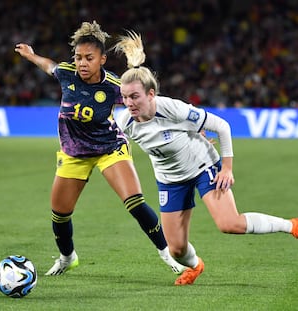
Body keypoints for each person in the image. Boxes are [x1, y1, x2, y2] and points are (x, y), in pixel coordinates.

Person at [113, 31, 298, 285]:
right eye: (124, 98)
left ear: (151, 94)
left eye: (134, 96)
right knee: (176, 249)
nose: (129, 103)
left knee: (229, 223)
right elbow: (108, 140)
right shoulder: (124, 122)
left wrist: (227, 168)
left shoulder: (173, 109)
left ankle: (292, 226)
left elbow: (222, 126)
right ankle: (196, 266)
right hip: (170, 180)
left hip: (203, 166)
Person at [15, 21, 185, 276]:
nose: (82, 63)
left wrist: (190, 123)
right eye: (78, 57)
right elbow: (49, 66)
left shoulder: (115, 86)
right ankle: (67, 257)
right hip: (74, 153)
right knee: (60, 215)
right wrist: (30, 55)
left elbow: (150, 103)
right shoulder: (67, 73)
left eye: (89, 58)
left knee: (135, 202)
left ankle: (168, 254)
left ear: (102, 59)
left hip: (109, 148)